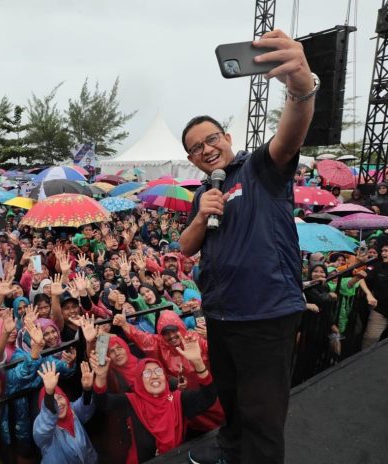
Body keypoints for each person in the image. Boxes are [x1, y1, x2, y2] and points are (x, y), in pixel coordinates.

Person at [179, 28, 317, 464]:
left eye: (211, 139)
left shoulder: (259, 168)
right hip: (221, 314)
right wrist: (202, 215)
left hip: (266, 312)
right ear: (191, 159)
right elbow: (185, 248)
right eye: (197, 148)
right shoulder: (204, 193)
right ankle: (229, 454)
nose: (207, 149)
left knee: (262, 416)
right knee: (233, 404)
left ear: (227, 139)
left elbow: (289, 135)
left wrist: (301, 88)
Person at [91, 334, 217, 463]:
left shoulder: (177, 399)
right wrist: (100, 377)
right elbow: (103, 402)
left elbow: (208, 397)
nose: (154, 376)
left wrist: (198, 363)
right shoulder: (132, 402)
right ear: (139, 381)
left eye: (158, 371)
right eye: (147, 373)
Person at [33, 361, 97, 464]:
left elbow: (85, 408)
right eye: (53, 401)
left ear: (66, 398)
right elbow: (43, 427)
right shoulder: (43, 429)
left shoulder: (71, 410)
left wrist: (87, 390)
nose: (58, 404)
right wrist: (49, 394)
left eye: (60, 397)